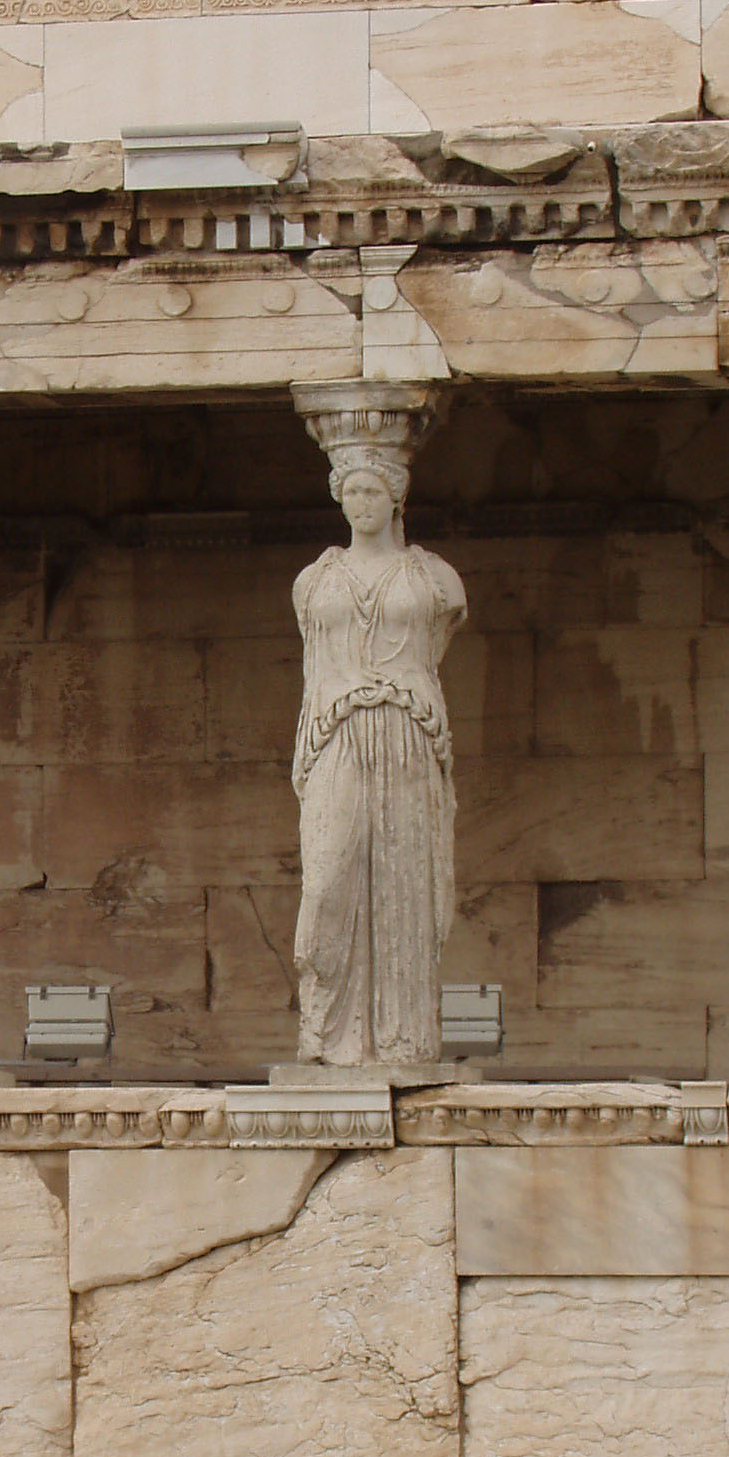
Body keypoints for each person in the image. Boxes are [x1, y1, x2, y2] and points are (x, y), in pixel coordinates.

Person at [291, 448, 467, 1066]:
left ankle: (400, 1038)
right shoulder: (314, 581)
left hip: (405, 733)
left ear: (396, 496)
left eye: (373, 492)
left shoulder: (435, 579)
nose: (361, 504)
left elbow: (436, 643)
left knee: (403, 878)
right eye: (351, 492)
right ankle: (326, 1027)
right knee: (326, 879)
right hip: (336, 733)